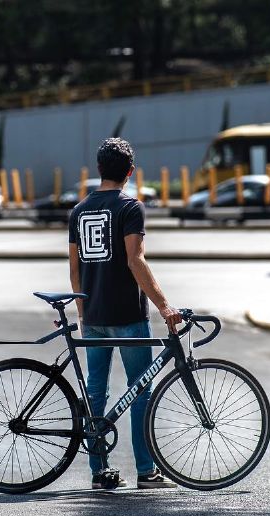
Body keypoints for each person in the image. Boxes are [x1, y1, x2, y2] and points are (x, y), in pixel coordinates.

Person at [68, 138, 182, 490]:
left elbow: (75, 268)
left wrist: (84, 312)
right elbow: (136, 260)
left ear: (99, 170)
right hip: (129, 317)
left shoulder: (79, 211)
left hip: (94, 315)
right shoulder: (129, 207)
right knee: (140, 390)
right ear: (130, 172)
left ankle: (99, 471)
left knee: (95, 393)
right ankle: (146, 472)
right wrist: (164, 305)